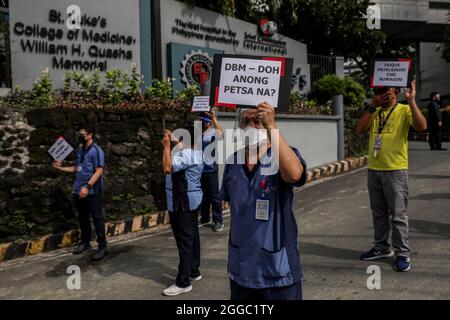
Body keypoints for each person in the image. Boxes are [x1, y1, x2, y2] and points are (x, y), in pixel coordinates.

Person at [220, 102, 307, 300]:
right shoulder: (234, 162)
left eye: (257, 121)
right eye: (246, 121)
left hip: (277, 270)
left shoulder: (281, 156)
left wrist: (271, 127)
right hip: (241, 268)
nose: (251, 126)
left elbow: (294, 175)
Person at [356, 81, 427, 272]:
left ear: (395, 91)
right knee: (378, 212)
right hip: (374, 169)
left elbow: (421, 126)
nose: (381, 95)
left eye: (385, 91)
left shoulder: (403, 109)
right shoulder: (375, 110)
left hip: (395, 170)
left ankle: (402, 253)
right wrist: (372, 106)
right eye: (378, 91)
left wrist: (411, 100)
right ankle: (381, 247)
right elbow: (360, 129)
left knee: (398, 214)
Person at [52, 126, 107, 261]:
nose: (79, 136)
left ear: (90, 135)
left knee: (97, 218)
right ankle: (85, 242)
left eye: (82, 134)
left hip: (92, 191)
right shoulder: (80, 150)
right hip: (78, 190)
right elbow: (77, 168)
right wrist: (60, 168)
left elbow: (99, 171)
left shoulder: (96, 151)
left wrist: (87, 187)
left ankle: (102, 246)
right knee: (83, 218)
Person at [161, 125, 204, 296]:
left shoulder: (185, 155)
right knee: (192, 237)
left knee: (184, 242)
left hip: (182, 203)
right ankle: (193, 270)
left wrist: (166, 147)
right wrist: (174, 141)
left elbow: (168, 168)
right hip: (192, 200)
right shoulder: (197, 152)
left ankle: (183, 281)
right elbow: (182, 151)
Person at [198, 111, 224, 232]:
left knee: (214, 196)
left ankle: (218, 221)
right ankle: (205, 218)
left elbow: (221, 134)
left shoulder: (213, 132)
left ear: (208, 122)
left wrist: (214, 118)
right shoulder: (199, 133)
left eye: (204, 120)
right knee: (203, 195)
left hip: (211, 168)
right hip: (200, 169)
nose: (202, 122)